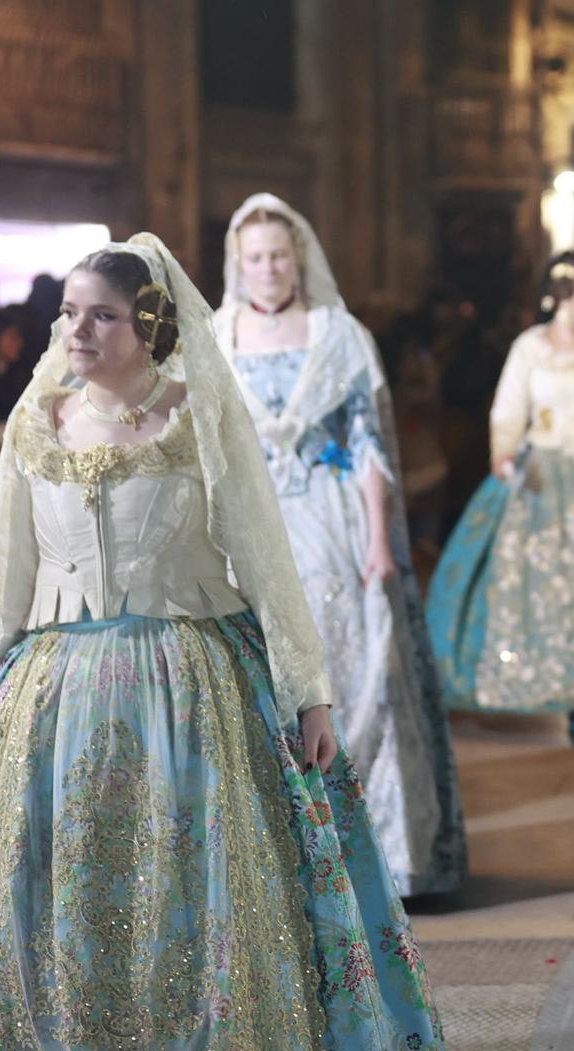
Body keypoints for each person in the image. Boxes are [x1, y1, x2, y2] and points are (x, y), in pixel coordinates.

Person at [0, 234, 449, 1051]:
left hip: (189, 688)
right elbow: (2, 581)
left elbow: (264, 556)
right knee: (60, 925)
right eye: (67, 312)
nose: (75, 328)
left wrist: (308, 690)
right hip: (56, 698)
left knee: (193, 918)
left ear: (146, 321)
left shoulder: (198, 413)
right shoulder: (37, 417)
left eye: (98, 313)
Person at [215, 193, 465, 897]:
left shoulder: (338, 334)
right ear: (239, 263)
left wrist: (380, 541)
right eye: (255, 257)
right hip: (251, 528)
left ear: (299, 258)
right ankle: (277, 847)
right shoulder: (216, 336)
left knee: (356, 670)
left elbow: (368, 445)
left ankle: (374, 845)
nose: (267, 268)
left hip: (330, 519)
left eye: (278, 255)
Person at [426, 252, 574, 728]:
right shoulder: (530, 347)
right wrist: (503, 454)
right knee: (545, 579)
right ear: (562, 295)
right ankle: (557, 683)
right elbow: (507, 411)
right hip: (546, 479)